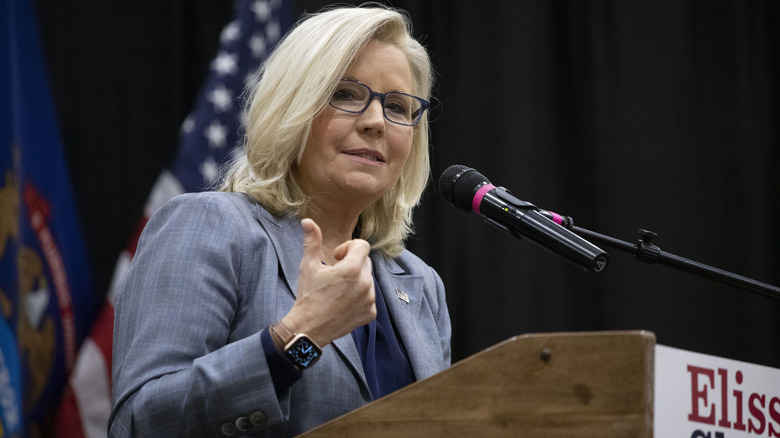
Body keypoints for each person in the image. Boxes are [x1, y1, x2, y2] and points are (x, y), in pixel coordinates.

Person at [109, 5, 451, 437]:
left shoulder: (420, 285)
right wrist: (299, 338)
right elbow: (141, 421)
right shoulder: (210, 227)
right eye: (346, 94)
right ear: (294, 107)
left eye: (399, 107)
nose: (375, 122)